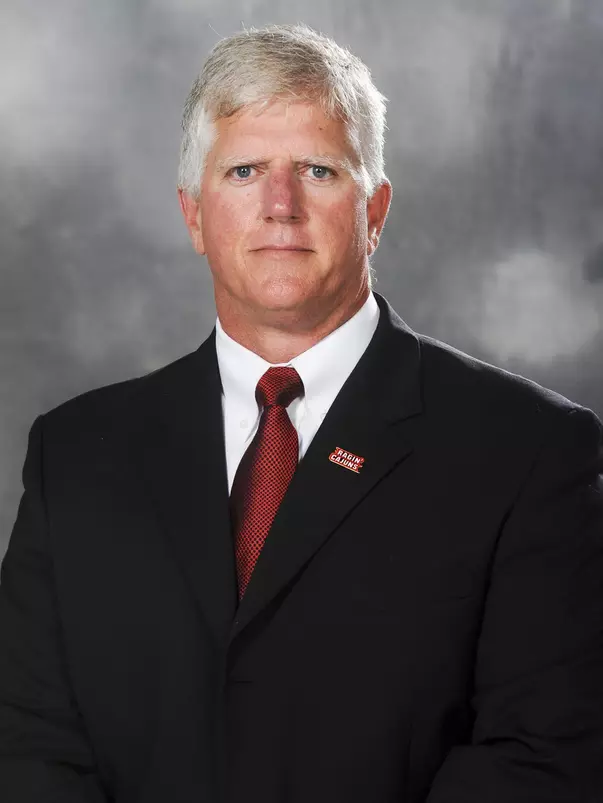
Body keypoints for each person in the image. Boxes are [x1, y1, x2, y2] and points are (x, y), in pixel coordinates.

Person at [0, 22, 602, 803]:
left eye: (318, 171)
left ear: (375, 210)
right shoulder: (75, 452)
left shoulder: (528, 450)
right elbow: (27, 736)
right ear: (192, 214)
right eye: (244, 170)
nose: (278, 205)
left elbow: (541, 756)